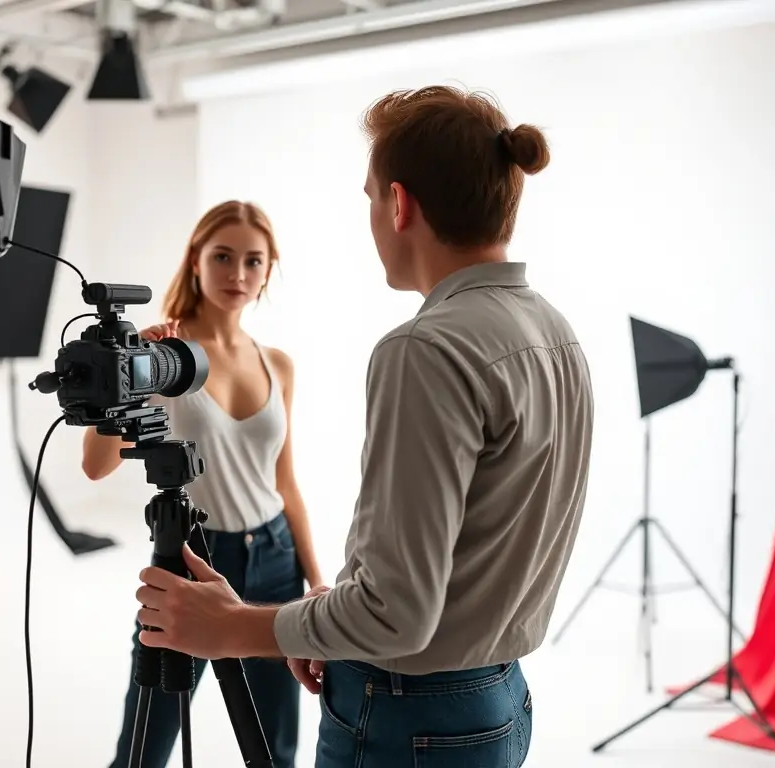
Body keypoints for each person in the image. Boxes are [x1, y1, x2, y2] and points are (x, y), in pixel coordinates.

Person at [133, 85, 596, 767]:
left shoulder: (425, 349)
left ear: (399, 204)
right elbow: (454, 560)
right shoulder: (556, 333)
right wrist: (315, 619)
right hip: (499, 700)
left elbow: (395, 616)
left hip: (408, 715)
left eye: (371, 197)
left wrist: (236, 628)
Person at [82, 200, 323, 768]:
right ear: (196, 261)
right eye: (222, 256)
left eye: (252, 261)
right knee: (144, 746)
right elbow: (95, 466)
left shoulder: (279, 364)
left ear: (269, 270)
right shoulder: (161, 354)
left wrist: (315, 579)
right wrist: (127, 366)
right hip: (190, 558)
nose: (237, 274)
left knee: (275, 750)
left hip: (274, 559)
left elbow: (285, 481)